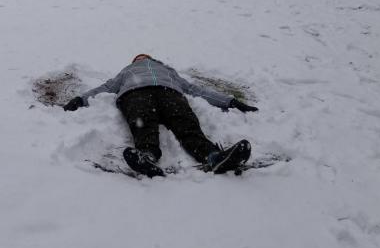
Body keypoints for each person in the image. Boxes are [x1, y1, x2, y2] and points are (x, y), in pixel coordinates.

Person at [62, 54, 257, 177]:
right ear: (133, 62)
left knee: (185, 121)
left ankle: (213, 156)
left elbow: (194, 89)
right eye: (138, 58)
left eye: (144, 57)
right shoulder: (127, 71)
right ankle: (147, 156)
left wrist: (229, 101)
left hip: (169, 92)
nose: (141, 59)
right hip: (136, 92)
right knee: (142, 119)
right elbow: (106, 87)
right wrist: (80, 99)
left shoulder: (168, 71)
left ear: (154, 60)